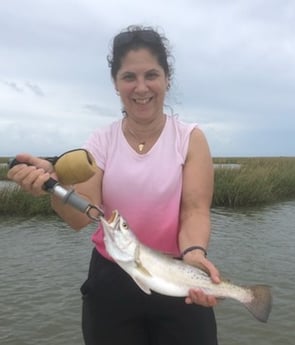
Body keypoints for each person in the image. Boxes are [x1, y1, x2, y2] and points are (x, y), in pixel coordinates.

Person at [8, 25, 220, 345]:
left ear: (167, 79)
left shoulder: (190, 138)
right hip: (110, 281)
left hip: (178, 274)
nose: (141, 87)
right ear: (115, 84)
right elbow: (81, 217)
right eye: (129, 77)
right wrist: (53, 186)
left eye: (151, 75)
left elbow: (194, 210)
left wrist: (194, 255)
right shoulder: (101, 141)